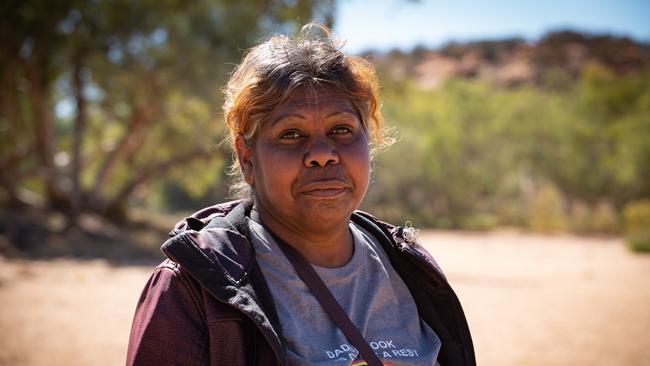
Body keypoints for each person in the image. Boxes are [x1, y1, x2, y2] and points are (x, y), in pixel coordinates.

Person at [126, 24, 475, 366]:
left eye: (341, 129)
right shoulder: (194, 288)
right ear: (248, 158)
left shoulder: (411, 267)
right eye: (291, 134)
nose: (323, 153)